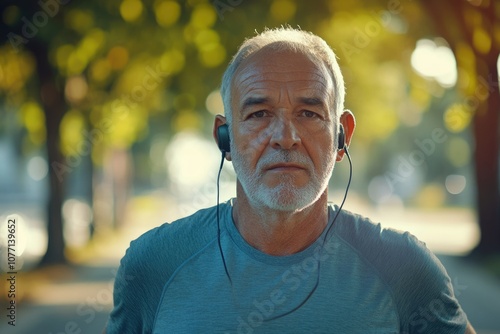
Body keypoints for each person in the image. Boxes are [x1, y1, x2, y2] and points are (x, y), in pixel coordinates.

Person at [104, 27, 476, 333]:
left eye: (309, 113)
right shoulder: (153, 265)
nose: (285, 136)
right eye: (260, 113)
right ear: (225, 137)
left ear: (342, 136)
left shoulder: (406, 269)